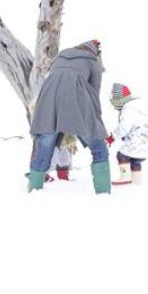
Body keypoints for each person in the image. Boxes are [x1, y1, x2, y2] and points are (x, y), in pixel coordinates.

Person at [28, 40, 111, 194]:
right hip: (78, 106)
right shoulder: (93, 62)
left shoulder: (60, 57)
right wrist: (96, 122)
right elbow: (94, 93)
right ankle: (103, 193)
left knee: (43, 151)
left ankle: (34, 190)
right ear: (96, 53)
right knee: (99, 149)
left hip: (48, 106)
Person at [106, 83, 148, 185]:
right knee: (135, 159)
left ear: (119, 100)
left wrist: (112, 137)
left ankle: (125, 177)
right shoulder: (139, 106)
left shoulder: (128, 109)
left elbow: (124, 127)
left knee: (122, 155)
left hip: (138, 140)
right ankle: (136, 180)